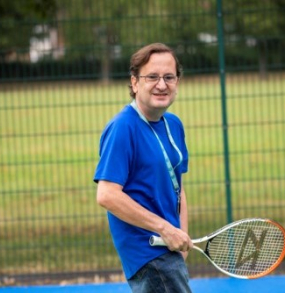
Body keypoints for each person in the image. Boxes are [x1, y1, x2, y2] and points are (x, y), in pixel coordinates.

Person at [93, 43, 194, 293]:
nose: (162, 84)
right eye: (152, 77)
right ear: (135, 82)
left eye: (169, 77)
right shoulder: (122, 128)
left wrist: (180, 236)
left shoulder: (174, 124)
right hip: (147, 252)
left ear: (177, 82)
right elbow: (107, 195)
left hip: (169, 249)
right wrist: (164, 229)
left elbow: (178, 188)